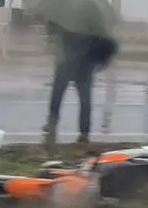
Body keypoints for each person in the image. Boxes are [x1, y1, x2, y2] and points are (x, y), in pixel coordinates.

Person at [43, 22, 118, 150]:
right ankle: (84, 131)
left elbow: (55, 35)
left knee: (58, 93)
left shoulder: (66, 18)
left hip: (68, 61)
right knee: (84, 98)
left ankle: (52, 124)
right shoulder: (95, 21)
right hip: (85, 63)